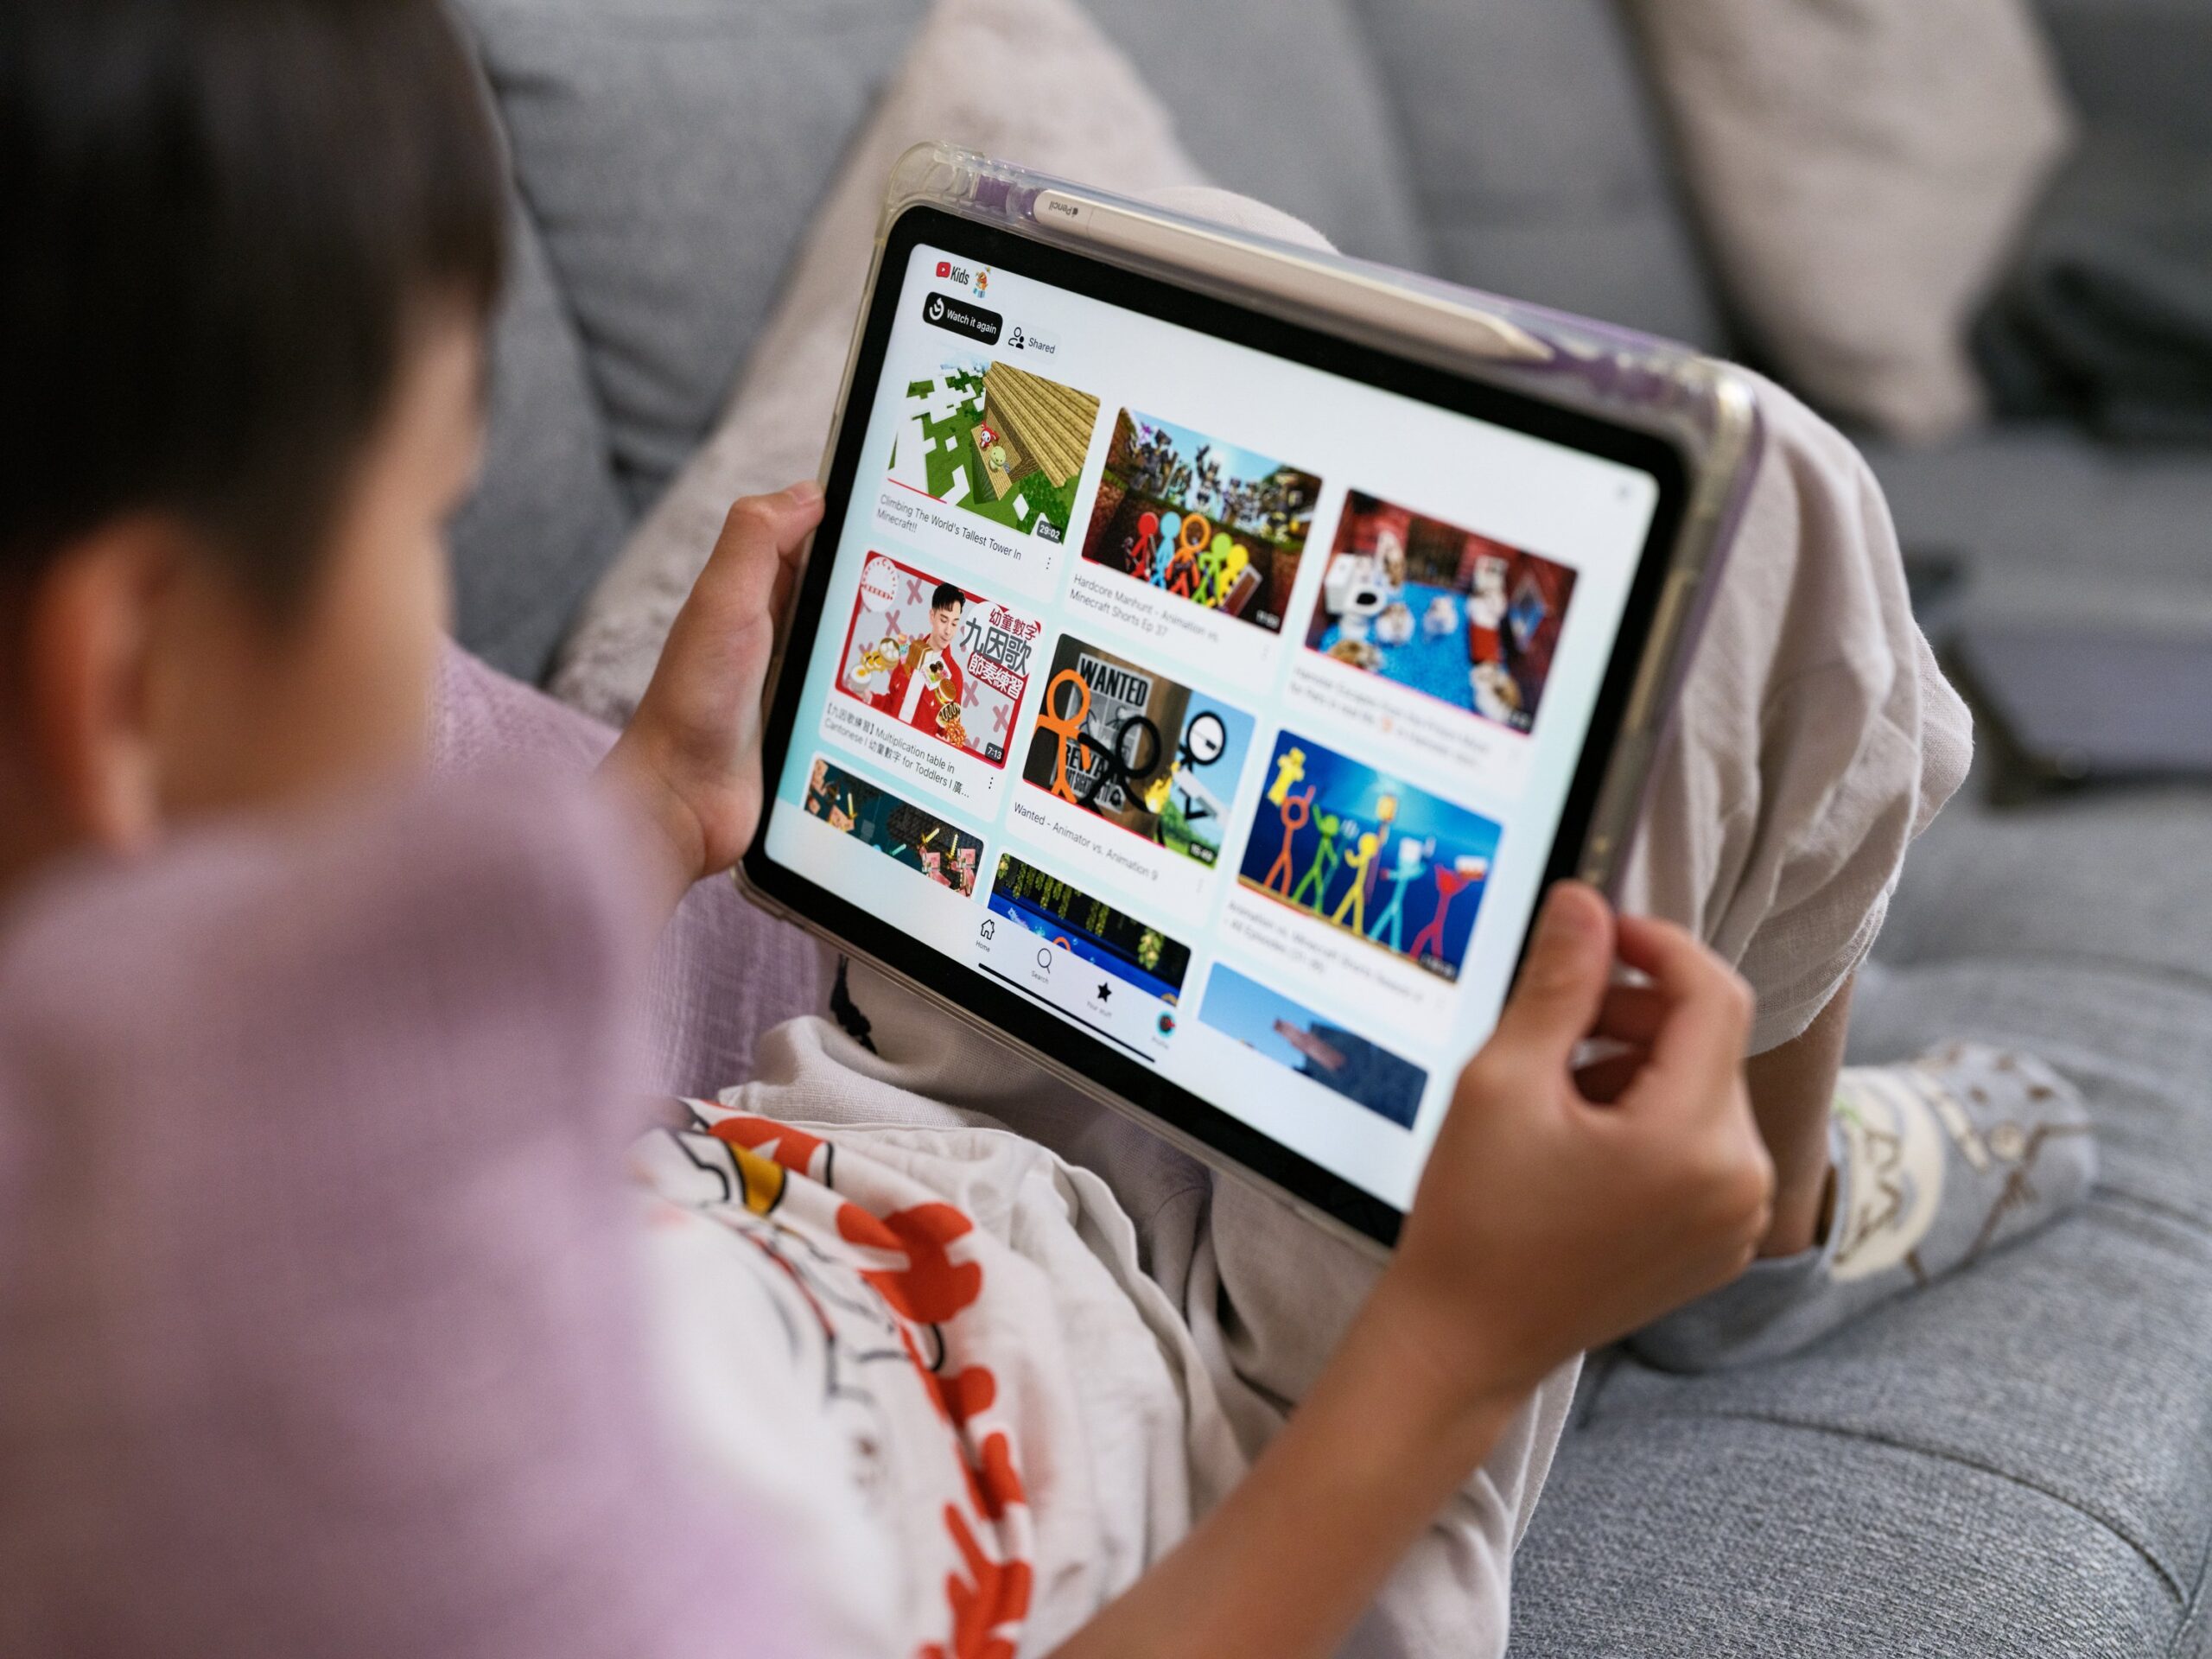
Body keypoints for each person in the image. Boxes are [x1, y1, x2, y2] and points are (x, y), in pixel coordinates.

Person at [0, 5, 2092, 1657]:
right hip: (1209, 1436)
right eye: (418, 519)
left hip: (826, 1145)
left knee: (1209, 316)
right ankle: (1761, 1214)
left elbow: (311, 1092)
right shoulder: (318, 1480)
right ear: (128, 680)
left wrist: (644, 819)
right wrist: (1464, 1342)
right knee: (1762, 516)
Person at [874, 580, 969, 741]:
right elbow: (891, 702)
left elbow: (950, 729)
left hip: (917, 758)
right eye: (944, 620)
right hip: (887, 741)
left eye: (954, 623)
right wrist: (868, 697)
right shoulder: (908, 653)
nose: (948, 631)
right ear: (932, 616)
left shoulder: (955, 676)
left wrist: (947, 742)